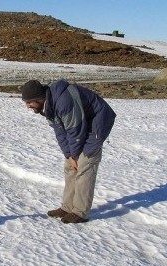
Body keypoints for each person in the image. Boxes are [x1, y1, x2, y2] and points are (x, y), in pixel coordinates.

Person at [21, 79, 116, 223]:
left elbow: (75, 130)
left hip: (96, 124)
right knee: (70, 166)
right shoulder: (49, 105)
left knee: (85, 165)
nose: (27, 106)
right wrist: (69, 155)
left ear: (38, 98)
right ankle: (67, 207)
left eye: (29, 102)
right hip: (81, 126)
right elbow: (60, 132)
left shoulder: (64, 101)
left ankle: (80, 212)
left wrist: (75, 155)